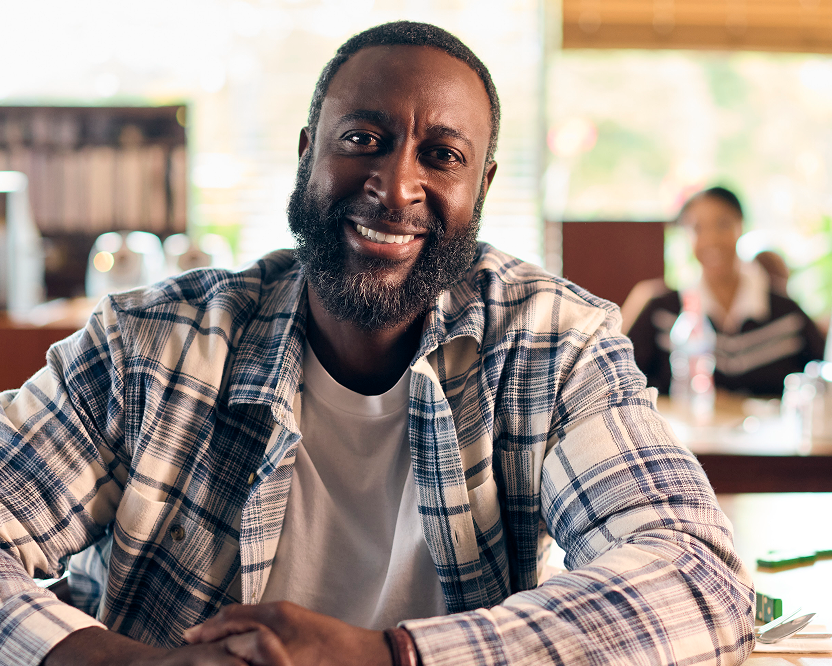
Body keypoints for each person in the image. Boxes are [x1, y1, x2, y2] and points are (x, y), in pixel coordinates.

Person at [0, 22, 753, 666]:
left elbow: (697, 577)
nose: (397, 186)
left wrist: (389, 657)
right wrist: (110, 661)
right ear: (306, 156)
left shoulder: (549, 345)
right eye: (364, 138)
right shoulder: (150, 349)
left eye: (442, 156)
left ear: (482, 188)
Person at [628, 186, 825, 396]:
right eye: (697, 228)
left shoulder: (786, 314)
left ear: (741, 226)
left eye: (723, 224)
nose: (711, 239)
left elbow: (821, 377)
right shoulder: (662, 312)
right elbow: (622, 384)